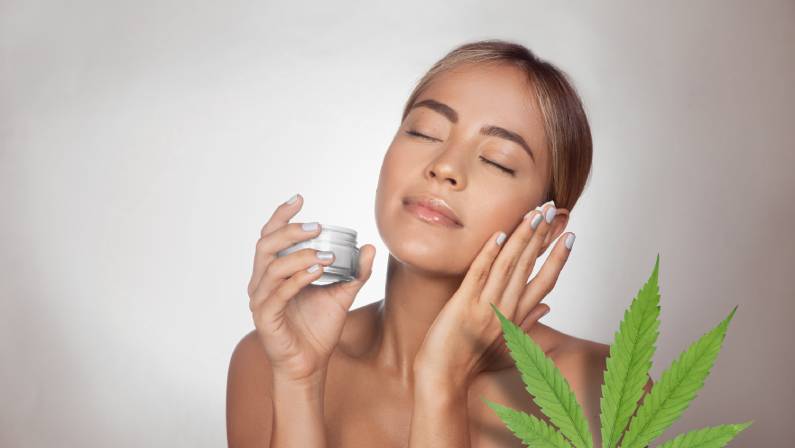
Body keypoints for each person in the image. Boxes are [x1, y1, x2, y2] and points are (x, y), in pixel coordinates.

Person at [226, 39, 653, 448]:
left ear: (545, 227)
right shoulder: (268, 361)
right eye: (425, 132)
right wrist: (299, 380)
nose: (445, 166)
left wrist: (442, 382)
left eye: (496, 160)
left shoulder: (598, 388)